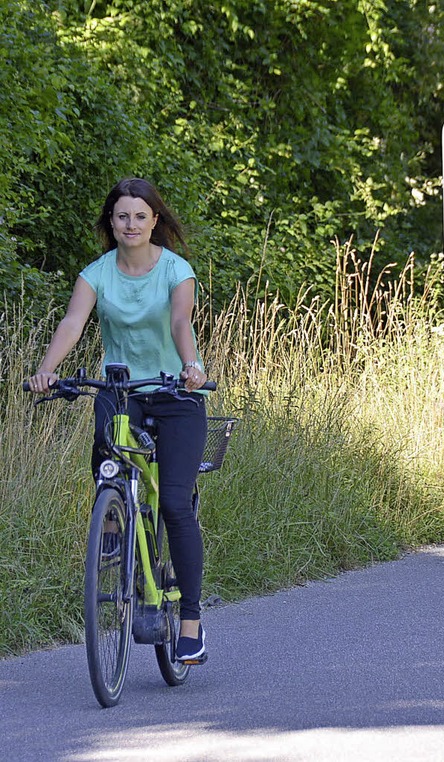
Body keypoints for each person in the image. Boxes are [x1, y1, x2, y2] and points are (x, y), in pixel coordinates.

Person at [28, 177, 208, 662]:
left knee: (173, 502)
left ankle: (190, 622)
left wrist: (192, 366)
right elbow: (73, 322)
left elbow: (179, 322)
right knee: (107, 456)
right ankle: (113, 522)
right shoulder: (96, 274)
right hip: (121, 388)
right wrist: (48, 370)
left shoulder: (175, 269)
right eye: (122, 216)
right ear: (112, 221)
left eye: (140, 217)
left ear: (155, 222)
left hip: (175, 393)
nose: (131, 225)